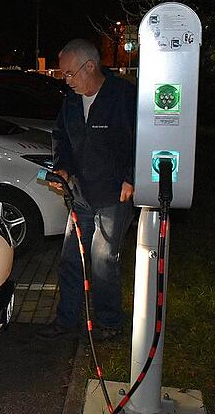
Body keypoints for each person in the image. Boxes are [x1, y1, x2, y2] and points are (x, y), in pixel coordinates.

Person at [37, 39, 136, 341]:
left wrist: (131, 177)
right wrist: (63, 168)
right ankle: (66, 321)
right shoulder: (71, 101)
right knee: (71, 258)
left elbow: (140, 139)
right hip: (81, 193)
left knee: (104, 260)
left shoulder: (123, 96)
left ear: (90, 66)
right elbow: (61, 138)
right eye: (63, 74)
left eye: (69, 74)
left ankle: (109, 322)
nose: (65, 81)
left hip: (113, 194)